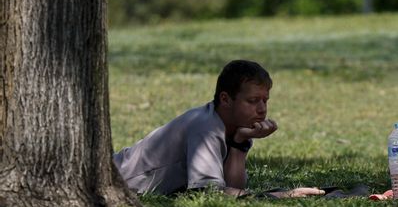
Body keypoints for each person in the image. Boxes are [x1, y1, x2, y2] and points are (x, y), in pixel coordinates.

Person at [113, 60, 324, 198]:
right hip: (116, 180)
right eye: (252, 101)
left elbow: (233, 185)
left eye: (265, 100)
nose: (262, 109)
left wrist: (239, 143)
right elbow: (210, 193)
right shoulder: (206, 128)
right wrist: (285, 195)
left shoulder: (231, 126)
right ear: (226, 99)